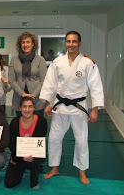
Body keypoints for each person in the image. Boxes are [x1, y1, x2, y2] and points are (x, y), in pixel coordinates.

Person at [40, 31, 104, 184]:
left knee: (81, 140)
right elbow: (50, 83)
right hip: (60, 106)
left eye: (74, 41)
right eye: (68, 41)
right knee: (54, 138)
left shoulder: (88, 63)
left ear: (80, 43)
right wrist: (47, 103)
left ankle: (82, 171)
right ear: (65, 43)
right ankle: (54, 167)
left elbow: (95, 86)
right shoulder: (57, 62)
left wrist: (95, 109)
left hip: (78, 107)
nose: (71, 44)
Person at [4, 97, 48, 189]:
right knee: (9, 183)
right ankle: (20, 171)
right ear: (20, 108)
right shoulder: (15, 122)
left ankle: (34, 179)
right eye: (24, 107)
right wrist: (19, 156)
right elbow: (11, 144)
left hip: (34, 156)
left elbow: (39, 144)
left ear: (34, 108)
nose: (27, 110)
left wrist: (31, 156)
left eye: (30, 107)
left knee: (35, 161)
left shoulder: (41, 122)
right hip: (19, 156)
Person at [9, 32, 47, 117]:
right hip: (19, 99)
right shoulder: (14, 60)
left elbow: (43, 81)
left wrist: (33, 95)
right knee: (21, 127)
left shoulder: (40, 60)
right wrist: (22, 94)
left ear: (33, 44)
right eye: (23, 42)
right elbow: (12, 80)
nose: (25, 45)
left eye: (28, 42)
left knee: (37, 127)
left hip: (36, 100)